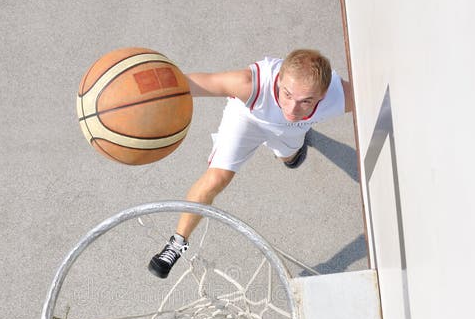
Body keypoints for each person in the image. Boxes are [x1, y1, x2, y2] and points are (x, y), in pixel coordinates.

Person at [148, 48, 353, 278]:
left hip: (290, 131)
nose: (292, 108)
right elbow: (191, 83)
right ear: (279, 79)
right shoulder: (250, 84)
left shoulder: (341, 96)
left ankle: (296, 149)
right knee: (216, 178)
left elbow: (384, 99)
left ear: (323, 95)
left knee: (290, 160)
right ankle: (177, 243)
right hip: (247, 119)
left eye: (306, 101)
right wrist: (144, 89)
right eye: (286, 94)